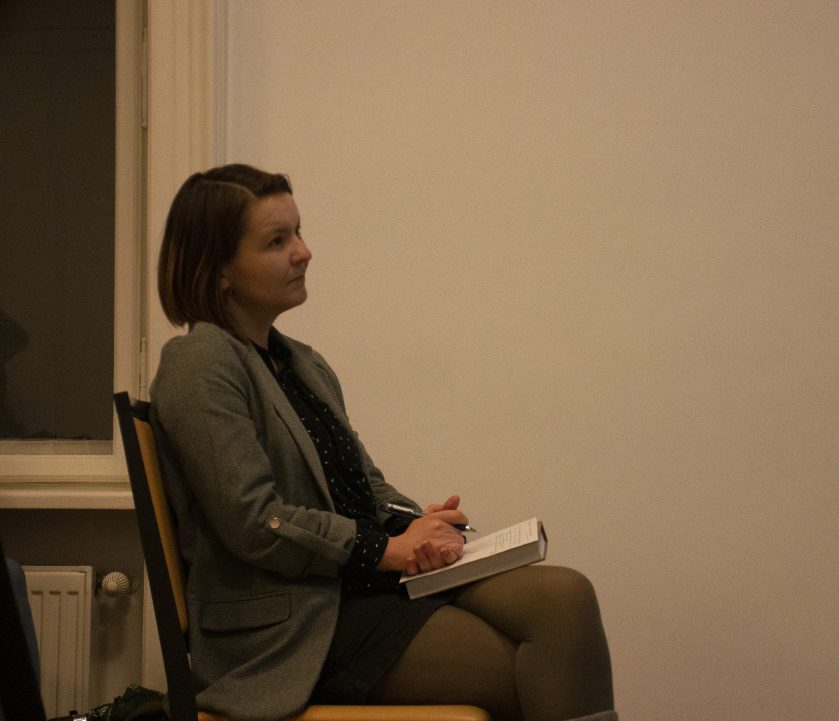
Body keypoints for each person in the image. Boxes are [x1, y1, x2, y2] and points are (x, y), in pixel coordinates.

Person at [148, 164, 616, 721]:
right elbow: (256, 522)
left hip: (361, 587)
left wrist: (416, 528)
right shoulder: (199, 363)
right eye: (277, 241)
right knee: (538, 667)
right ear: (219, 268)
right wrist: (386, 550)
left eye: (298, 232)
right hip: (294, 628)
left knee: (567, 598)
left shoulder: (301, 362)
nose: (303, 252)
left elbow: (365, 487)